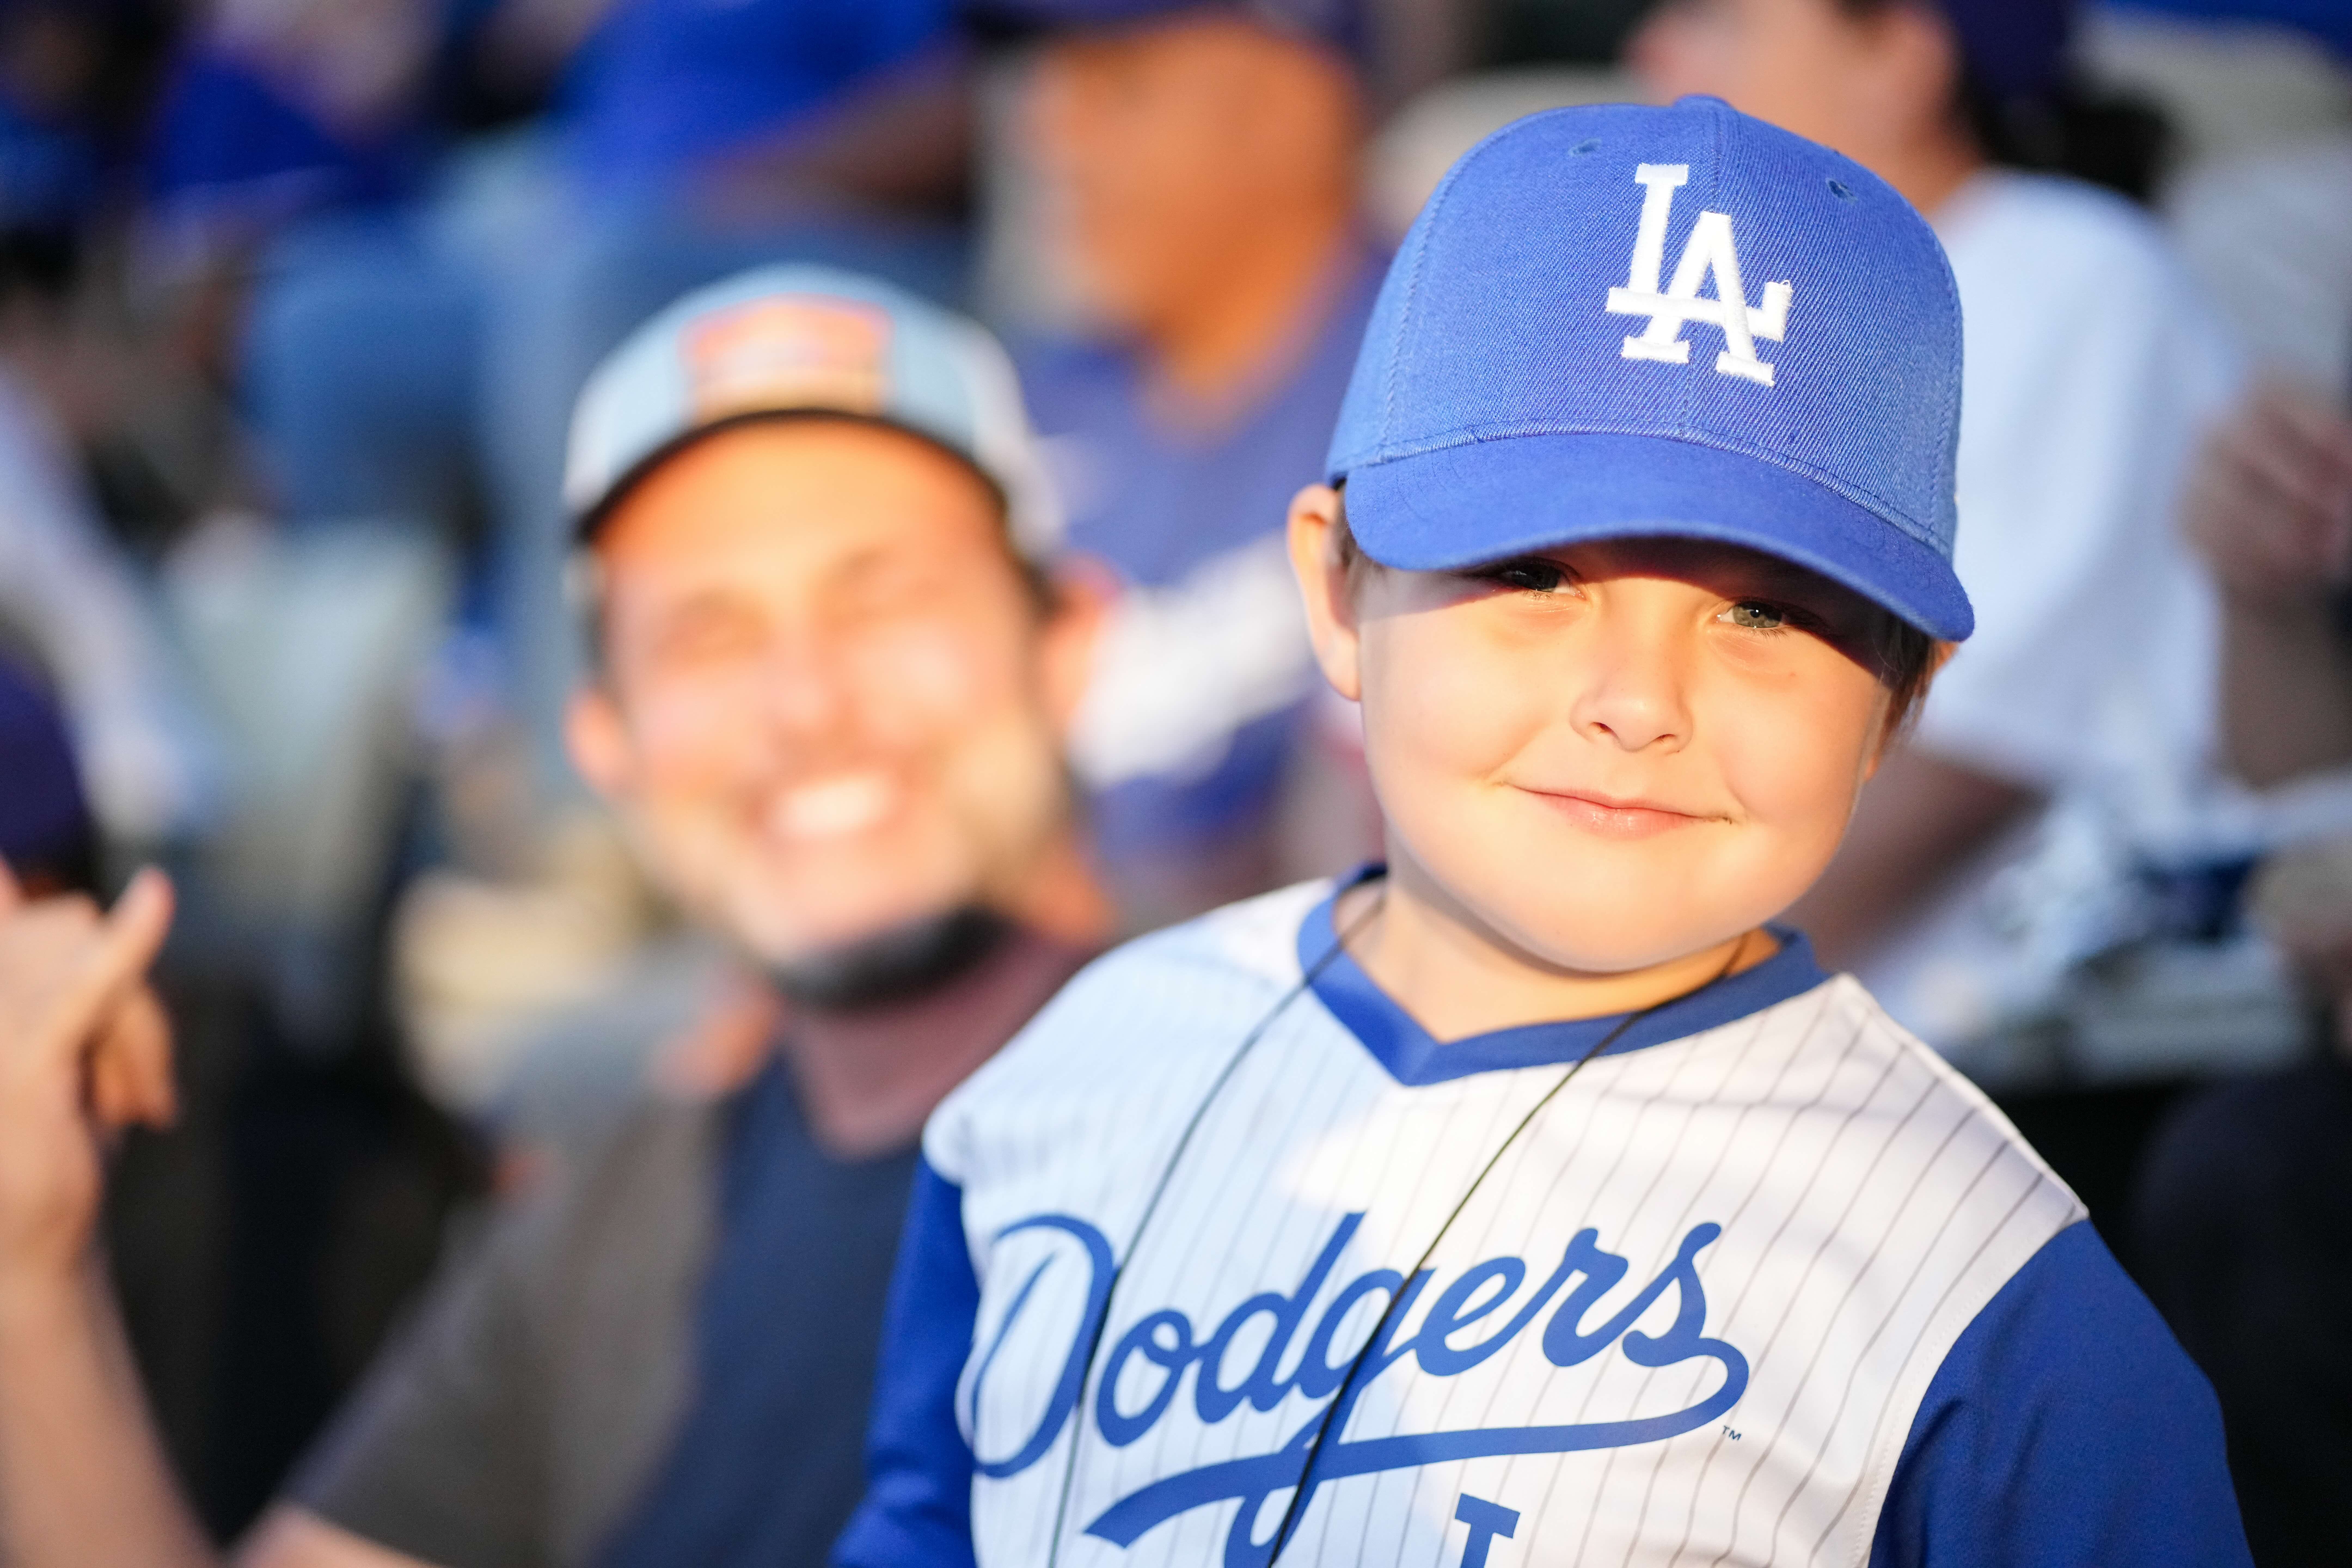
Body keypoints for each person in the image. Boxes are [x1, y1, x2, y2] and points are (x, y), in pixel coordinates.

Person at [834, 99, 2248, 1568]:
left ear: (1901, 701)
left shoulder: (1985, 1288)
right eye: (1531, 570)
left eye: (1765, 612)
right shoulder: (1080, 1074)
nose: (1638, 701)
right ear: (1335, 592)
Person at [0, 267, 1114, 1568]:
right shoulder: (612, 1218)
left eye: (881, 595)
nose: (804, 704)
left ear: (1070, 643)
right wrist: (29, 1265)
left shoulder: (1305, 1102)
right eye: (708, 634)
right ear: (608, 744)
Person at [1632, 0, 2241, 1070]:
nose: (1658, 52)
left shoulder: (2071, 271)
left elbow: (1970, 750)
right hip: (1769, 1010)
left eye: (1727, 21)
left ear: (1902, 61)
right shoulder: (1715, 305)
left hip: (2060, 1043)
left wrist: (1620, 993)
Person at [980, 0, 1386, 923]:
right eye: (1044, 81)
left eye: (1118, 84)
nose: (1047, 129)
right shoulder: (1025, 404)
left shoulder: (1460, 387)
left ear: (1294, 108)